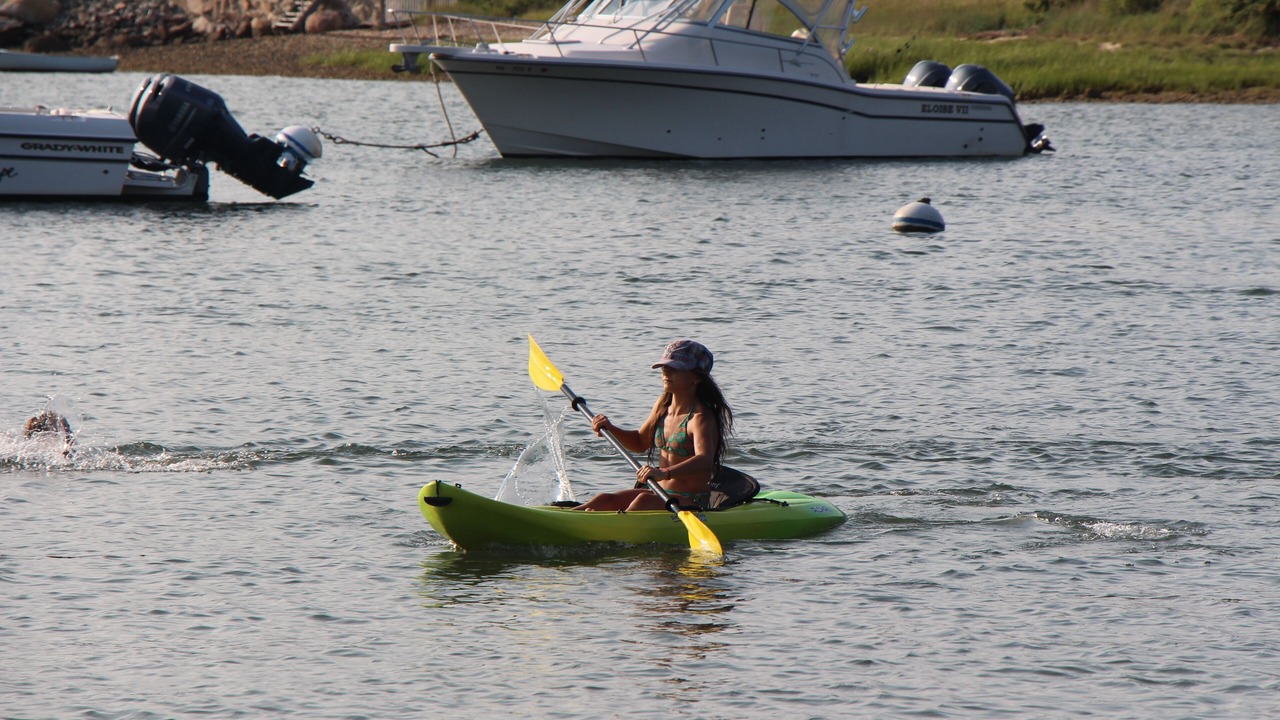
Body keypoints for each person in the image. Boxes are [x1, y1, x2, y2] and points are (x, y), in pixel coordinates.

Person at [575, 339, 733, 512]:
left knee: (642, 501)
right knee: (604, 499)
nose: (666, 372)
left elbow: (705, 460)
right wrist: (611, 429)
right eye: (665, 367)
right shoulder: (662, 406)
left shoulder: (700, 417)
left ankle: (607, 524)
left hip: (691, 501)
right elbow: (639, 443)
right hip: (657, 492)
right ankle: (573, 516)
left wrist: (664, 473)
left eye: (675, 368)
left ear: (696, 377)